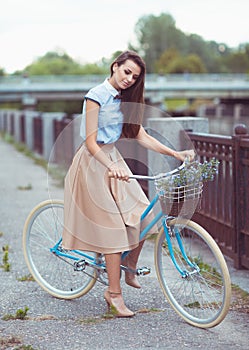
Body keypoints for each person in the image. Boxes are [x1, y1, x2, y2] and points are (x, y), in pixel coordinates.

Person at [62, 50, 195, 317]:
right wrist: (110, 166)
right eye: (126, 72)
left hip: (113, 158)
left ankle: (129, 266)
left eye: (134, 77)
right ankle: (113, 294)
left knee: (143, 214)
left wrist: (174, 154)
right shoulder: (95, 96)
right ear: (115, 67)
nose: (129, 79)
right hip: (93, 161)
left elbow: (139, 134)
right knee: (112, 229)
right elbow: (90, 142)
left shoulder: (125, 99)